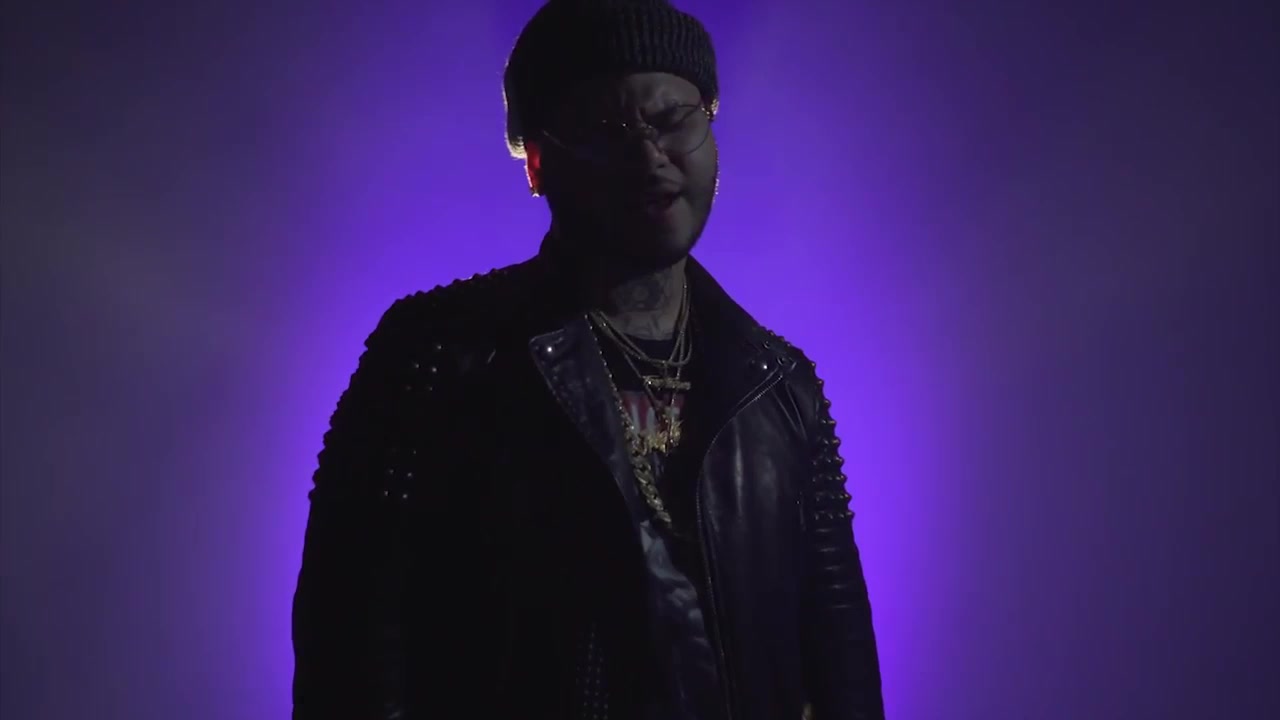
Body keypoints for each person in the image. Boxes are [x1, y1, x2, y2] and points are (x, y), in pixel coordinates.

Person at [290, 1, 884, 718]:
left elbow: (839, 653)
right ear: (538, 163)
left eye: (674, 119)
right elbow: (348, 641)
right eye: (606, 130)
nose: (648, 155)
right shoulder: (440, 355)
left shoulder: (780, 385)